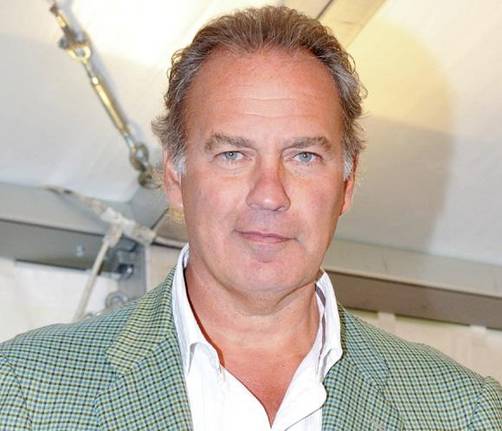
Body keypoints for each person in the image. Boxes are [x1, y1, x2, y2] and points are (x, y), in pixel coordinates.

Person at [1, 6, 501, 430]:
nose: (269, 195)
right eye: (233, 154)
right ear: (174, 176)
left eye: (304, 156)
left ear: (346, 184)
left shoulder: (467, 412)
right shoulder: (23, 392)